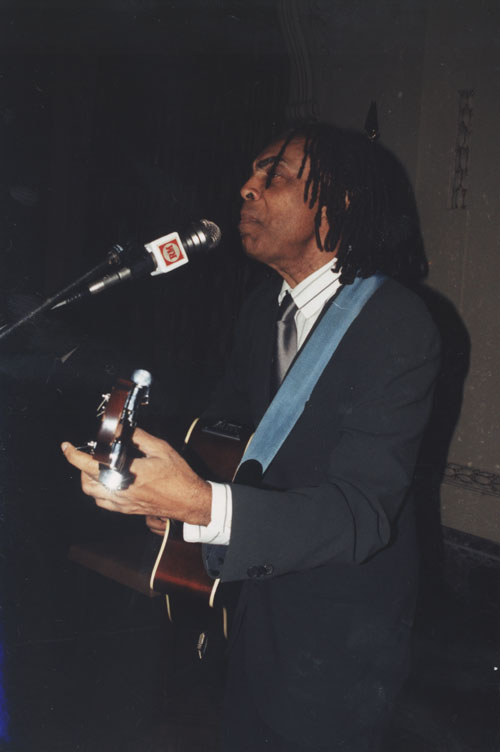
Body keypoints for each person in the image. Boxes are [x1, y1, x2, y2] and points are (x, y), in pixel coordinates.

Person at [62, 122, 441, 751]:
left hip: (336, 640)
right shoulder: (263, 310)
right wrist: (171, 505)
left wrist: (201, 505)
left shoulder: (396, 322)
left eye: (275, 174)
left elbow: (363, 514)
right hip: (246, 617)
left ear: (339, 201)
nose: (246, 187)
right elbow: (229, 442)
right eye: (251, 171)